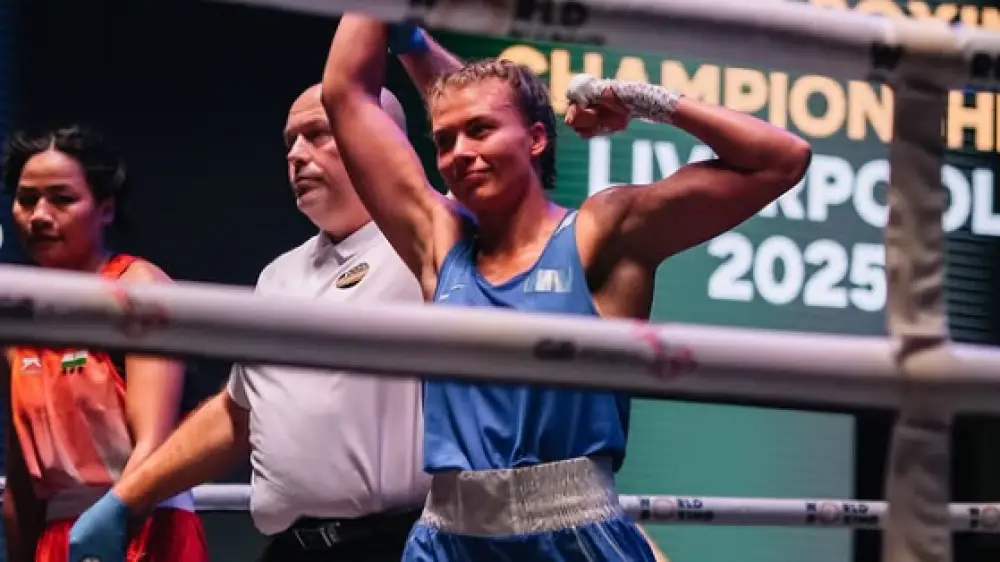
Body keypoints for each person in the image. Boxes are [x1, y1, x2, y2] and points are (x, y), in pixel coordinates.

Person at [321, 16, 812, 562]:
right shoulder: (440, 241)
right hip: (445, 541)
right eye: (443, 141)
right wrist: (403, 32)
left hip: (573, 538)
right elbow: (345, 95)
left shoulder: (598, 233)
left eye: (479, 131)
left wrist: (638, 99)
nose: (458, 152)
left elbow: (781, 160)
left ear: (536, 138)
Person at [66, 84, 431, 562]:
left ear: (380, 138)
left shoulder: (427, 242)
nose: (295, 155)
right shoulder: (279, 275)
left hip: (394, 546)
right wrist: (127, 499)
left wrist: (413, 49)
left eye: (317, 134)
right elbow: (239, 412)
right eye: (290, 141)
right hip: (290, 549)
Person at [0, 125, 209, 562]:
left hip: (148, 527)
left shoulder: (138, 288)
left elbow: (153, 447)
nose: (39, 216)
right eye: (27, 199)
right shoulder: (18, 317)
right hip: (55, 540)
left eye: (61, 199)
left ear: (106, 209)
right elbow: (23, 480)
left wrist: (110, 533)